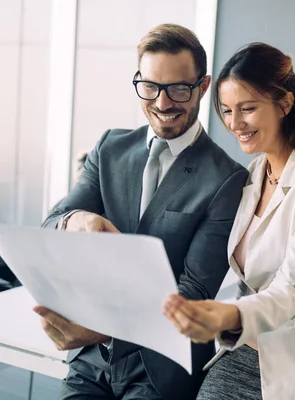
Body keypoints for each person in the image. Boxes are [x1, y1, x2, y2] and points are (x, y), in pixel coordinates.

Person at [35, 24, 248, 400]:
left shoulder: (228, 179)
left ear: (203, 86)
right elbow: (52, 222)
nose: (163, 103)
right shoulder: (109, 148)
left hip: (163, 369)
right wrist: (75, 219)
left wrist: (102, 328)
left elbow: (194, 294)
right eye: (150, 87)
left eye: (179, 89)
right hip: (91, 363)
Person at [162, 42, 295, 400]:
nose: (234, 123)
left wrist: (227, 315)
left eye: (247, 109)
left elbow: (292, 287)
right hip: (247, 348)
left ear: (284, 104)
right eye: (227, 111)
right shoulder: (254, 173)